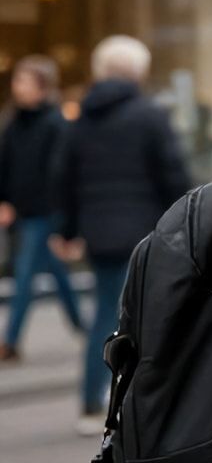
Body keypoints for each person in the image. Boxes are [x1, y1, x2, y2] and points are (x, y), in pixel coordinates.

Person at [54, 36, 190, 435]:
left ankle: (91, 403)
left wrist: (68, 230)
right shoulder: (150, 115)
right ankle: (150, 403)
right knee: (149, 313)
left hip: (99, 234)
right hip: (145, 231)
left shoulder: (81, 119)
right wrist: (184, 222)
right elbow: (172, 174)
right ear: (138, 71)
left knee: (103, 314)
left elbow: (63, 178)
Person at [0, 55, 85, 365]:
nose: (17, 86)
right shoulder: (14, 122)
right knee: (58, 275)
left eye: (24, 80)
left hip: (48, 211)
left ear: (42, 86)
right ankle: (84, 328)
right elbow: (4, 164)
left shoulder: (56, 122)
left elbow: (60, 171)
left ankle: (10, 342)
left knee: (24, 274)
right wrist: (5, 200)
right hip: (24, 211)